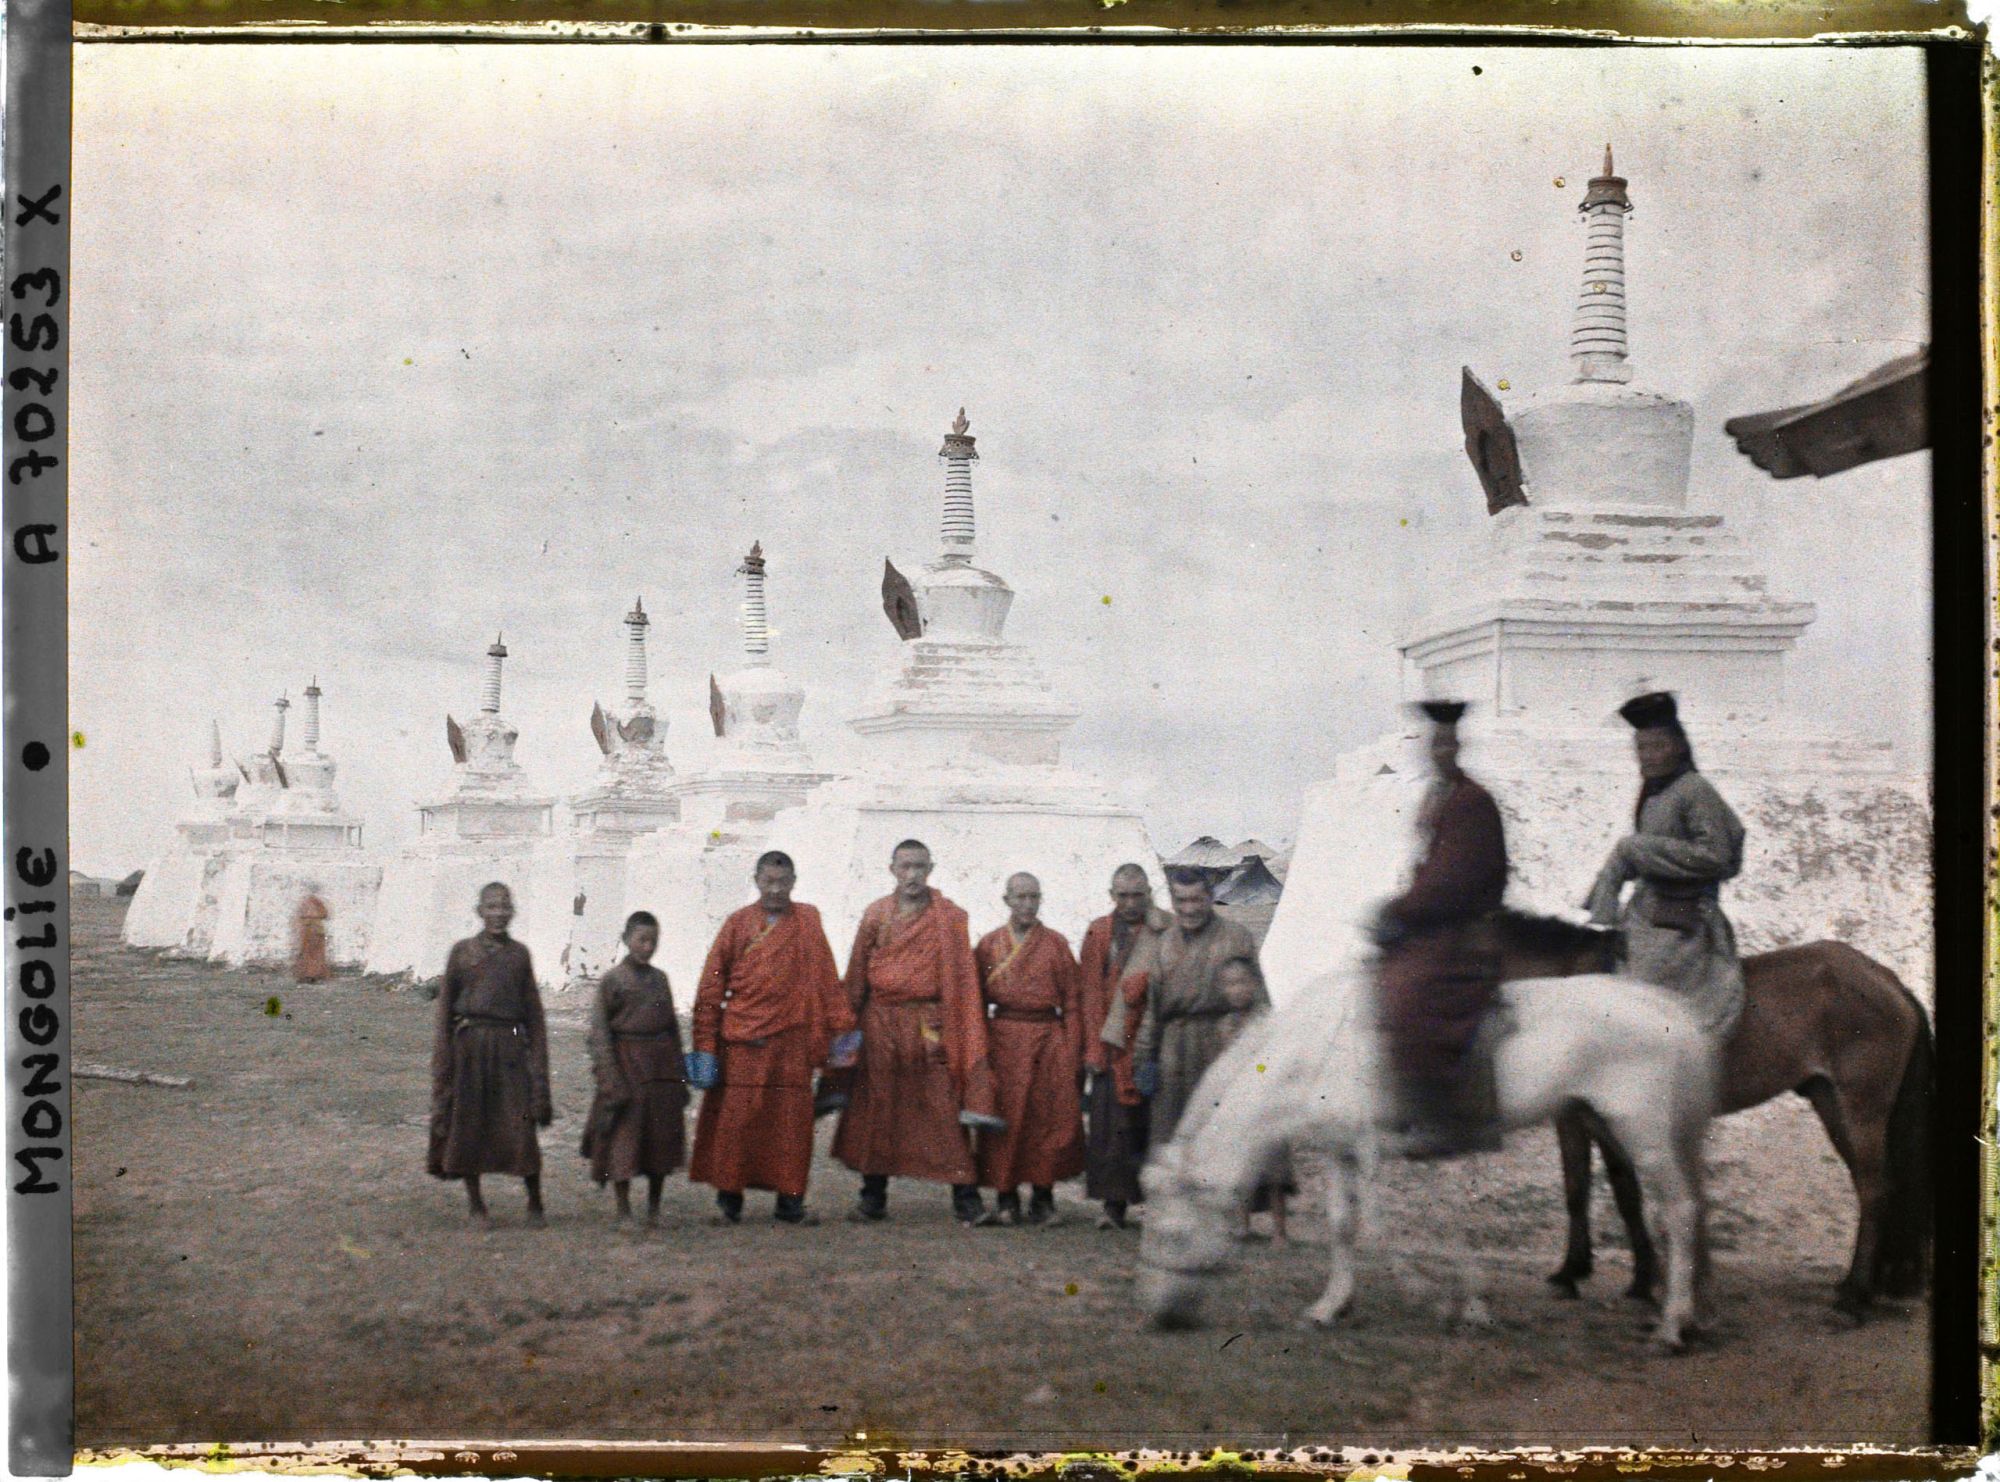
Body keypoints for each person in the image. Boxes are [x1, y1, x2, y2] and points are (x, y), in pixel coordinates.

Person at [832, 840, 1000, 1225]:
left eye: (920, 867)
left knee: (944, 1107)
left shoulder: (950, 917)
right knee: (878, 1107)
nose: (912, 875)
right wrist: (843, 1026)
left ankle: (967, 1199)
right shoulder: (876, 914)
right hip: (881, 1024)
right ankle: (872, 1198)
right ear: (892, 869)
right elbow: (857, 973)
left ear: (931, 869)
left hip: (929, 1025)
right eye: (905, 867)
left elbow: (962, 979)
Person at [1370, 700, 1510, 1160]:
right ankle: (1401, 1098)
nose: (1442, 751)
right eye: (1435, 744)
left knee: (1413, 991)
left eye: (1449, 743)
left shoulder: (1471, 801)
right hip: (1439, 915)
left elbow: (1453, 878)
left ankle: (1443, 1119)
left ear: (1458, 746)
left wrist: (1403, 910)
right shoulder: (1440, 795)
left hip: (1463, 923)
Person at [686, 851, 858, 1226]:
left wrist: (843, 1033)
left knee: (791, 1126)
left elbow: (827, 981)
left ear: (794, 882)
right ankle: (729, 1200)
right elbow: (711, 986)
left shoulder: (808, 921)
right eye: (768, 881)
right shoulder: (737, 924)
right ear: (756, 881)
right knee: (737, 1123)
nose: (776, 889)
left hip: (792, 1044)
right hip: (744, 1043)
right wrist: (705, 1046)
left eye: (783, 882)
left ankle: (790, 1202)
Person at [1584, 690, 1747, 1038]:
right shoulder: (1656, 794)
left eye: (1657, 746)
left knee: (1648, 1003)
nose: (1647, 756)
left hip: (1684, 919)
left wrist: (1639, 850)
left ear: (1679, 747)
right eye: (1641, 748)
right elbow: (1643, 856)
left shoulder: (1694, 789)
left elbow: (1716, 854)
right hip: (1647, 911)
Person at [428, 882, 553, 1225]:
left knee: (520, 1124)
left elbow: (534, 1016)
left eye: (504, 906)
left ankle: (535, 1203)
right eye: (491, 907)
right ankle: (476, 1205)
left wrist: (538, 1070)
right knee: (468, 1125)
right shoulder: (461, 953)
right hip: (470, 1049)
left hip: (510, 1048)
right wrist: (443, 1064)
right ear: (479, 911)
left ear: (512, 911)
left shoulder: (519, 955)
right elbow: (444, 1014)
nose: (498, 913)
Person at [1118, 868, 1263, 1150]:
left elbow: (1259, 1002)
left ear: (1210, 898)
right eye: (1181, 901)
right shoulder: (1164, 944)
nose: (1189, 909)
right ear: (1173, 902)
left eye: (1196, 900)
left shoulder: (1237, 937)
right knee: (1171, 1134)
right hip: (1174, 1050)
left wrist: (1259, 1062)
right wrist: (1144, 1060)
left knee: (1220, 1133)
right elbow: (1152, 1009)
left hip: (1222, 1045)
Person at [972, 873, 1086, 1227]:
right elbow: (975, 1002)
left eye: (1033, 897)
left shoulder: (1055, 944)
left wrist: (1072, 1048)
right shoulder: (989, 945)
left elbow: (1073, 1001)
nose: (1027, 904)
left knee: (1047, 1118)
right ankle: (1006, 1197)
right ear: (1006, 900)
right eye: (1020, 897)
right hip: (1003, 1038)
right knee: (1006, 1118)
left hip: (1048, 1039)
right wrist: (980, 1050)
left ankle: (1043, 1197)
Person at [579, 910, 688, 1224]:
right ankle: (623, 1209)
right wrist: (609, 1077)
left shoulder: (660, 979)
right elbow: (599, 1032)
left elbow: (672, 1028)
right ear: (626, 939)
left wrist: (679, 1074)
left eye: (653, 941)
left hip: (661, 1067)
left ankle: (654, 1210)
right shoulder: (613, 980)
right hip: (627, 1064)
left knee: (660, 1137)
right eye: (641, 940)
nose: (647, 947)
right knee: (624, 1139)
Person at [1077, 863, 1170, 1229]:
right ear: (1111, 895)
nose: (1130, 903)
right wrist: (1093, 1047)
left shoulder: (1164, 929)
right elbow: (1089, 992)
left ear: (1149, 894)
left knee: (1154, 1126)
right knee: (1112, 1128)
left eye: (1138, 895)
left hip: (1152, 1038)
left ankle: (1158, 1207)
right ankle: (1113, 1207)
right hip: (1113, 1040)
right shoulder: (1100, 931)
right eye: (1123, 895)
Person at [1213, 955, 1295, 1242]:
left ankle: (1280, 1230)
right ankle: (1242, 1224)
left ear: (1255, 985)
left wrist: (1256, 1070)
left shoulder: (1267, 1020)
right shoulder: (1225, 1025)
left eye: (1242, 983)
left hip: (1268, 1100)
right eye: (1230, 984)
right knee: (1241, 1165)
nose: (1237, 990)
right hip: (1239, 1102)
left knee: (1274, 1169)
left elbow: (1271, 1060)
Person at [293, 893, 330, 983]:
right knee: (309, 953)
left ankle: (313, 974)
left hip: (314, 932)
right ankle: (309, 974)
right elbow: (324, 914)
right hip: (310, 932)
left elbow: (324, 914)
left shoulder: (311, 906)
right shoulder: (312, 906)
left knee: (314, 953)